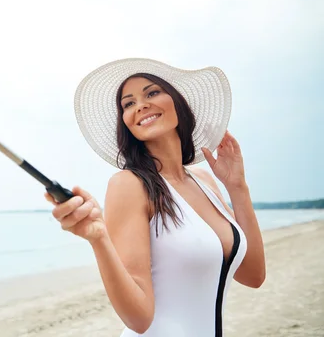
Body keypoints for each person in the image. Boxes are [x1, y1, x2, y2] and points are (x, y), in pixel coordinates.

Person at [44, 58, 266, 336]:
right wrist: (99, 240)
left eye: (151, 93)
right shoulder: (130, 184)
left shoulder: (204, 180)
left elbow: (253, 274)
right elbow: (139, 320)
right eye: (128, 103)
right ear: (126, 122)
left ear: (178, 102)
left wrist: (237, 187)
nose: (140, 105)